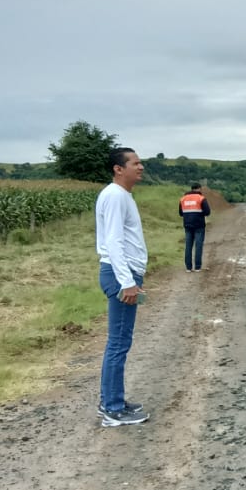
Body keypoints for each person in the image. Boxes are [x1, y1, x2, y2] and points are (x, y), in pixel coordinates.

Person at [95, 147, 150, 427]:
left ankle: (111, 400)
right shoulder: (115, 195)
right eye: (135, 163)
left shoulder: (121, 195)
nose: (141, 167)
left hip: (124, 273)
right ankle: (113, 409)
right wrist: (127, 282)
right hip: (120, 275)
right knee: (118, 343)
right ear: (119, 169)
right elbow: (114, 241)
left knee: (119, 342)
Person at [178, 182, 211, 272]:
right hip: (199, 225)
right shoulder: (201, 198)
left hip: (187, 225)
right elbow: (207, 212)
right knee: (198, 245)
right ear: (199, 188)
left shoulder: (183, 199)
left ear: (191, 188)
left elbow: (181, 213)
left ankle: (188, 268)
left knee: (188, 246)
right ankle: (197, 267)